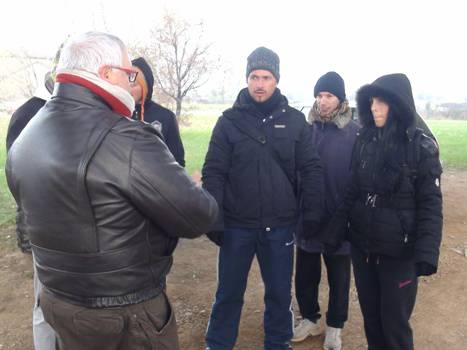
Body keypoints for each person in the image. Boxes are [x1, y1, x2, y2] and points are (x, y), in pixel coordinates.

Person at [6, 31, 218, 350]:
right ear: (106, 74)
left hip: (58, 299)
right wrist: (191, 187)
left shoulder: (28, 133)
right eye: (128, 73)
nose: (132, 81)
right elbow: (197, 217)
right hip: (125, 312)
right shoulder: (128, 139)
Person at [202, 46, 323, 350]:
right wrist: (214, 218)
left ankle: (278, 344)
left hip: (280, 226)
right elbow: (214, 171)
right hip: (236, 226)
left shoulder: (295, 121)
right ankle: (217, 345)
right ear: (247, 79)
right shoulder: (228, 121)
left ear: (276, 80)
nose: (259, 83)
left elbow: (311, 169)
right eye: (254, 76)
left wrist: (311, 214)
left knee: (280, 295)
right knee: (228, 293)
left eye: (266, 77)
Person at [327, 73, 443, 349]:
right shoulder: (366, 140)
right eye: (371, 102)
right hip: (364, 249)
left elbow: (430, 203)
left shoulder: (421, 147)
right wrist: (335, 229)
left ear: (399, 105)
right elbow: (353, 190)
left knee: (394, 325)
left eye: (381, 102)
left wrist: (427, 251)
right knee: (372, 320)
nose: (374, 108)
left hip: (399, 253)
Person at [292, 72, 359, 350]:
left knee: (339, 278)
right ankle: (309, 318)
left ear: (340, 99)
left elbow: (360, 178)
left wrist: (350, 216)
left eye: (329, 95)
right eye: (319, 95)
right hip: (308, 216)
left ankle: (334, 326)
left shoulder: (355, 134)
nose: (322, 101)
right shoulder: (306, 130)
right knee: (306, 274)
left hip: (339, 218)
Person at [6, 71, 57, 350]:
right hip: (42, 222)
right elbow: (17, 173)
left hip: (64, 223)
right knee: (44, 300)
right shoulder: (30, 112)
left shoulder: (61, 109)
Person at [130, 56, 185, 166]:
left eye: (133, 85)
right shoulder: (117, 114)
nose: (128, 89)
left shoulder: (165, 117)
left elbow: (177, 160)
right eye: (126, 84)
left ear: (145, 86)